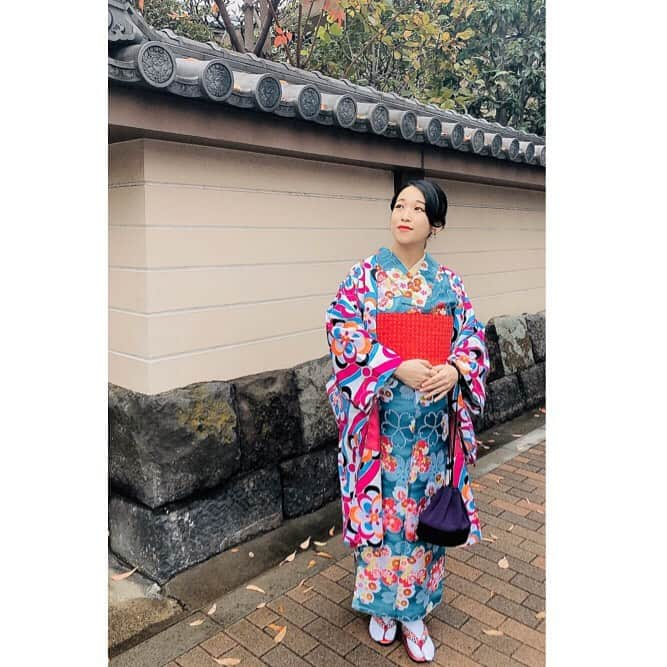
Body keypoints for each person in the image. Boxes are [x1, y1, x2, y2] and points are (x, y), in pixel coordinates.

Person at [324, 179, 488, 662]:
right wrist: (394, 363)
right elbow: (340, 328)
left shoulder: (450, 284)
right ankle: (379, 606)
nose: (406, 214)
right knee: (381, 517)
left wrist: (456, 367)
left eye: (419, 208)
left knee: (421, 518)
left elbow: (473, 336)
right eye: (400, 205)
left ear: (434, 224)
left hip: (431, 435)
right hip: (379, 428)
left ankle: (414, 613)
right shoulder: (365, 276)